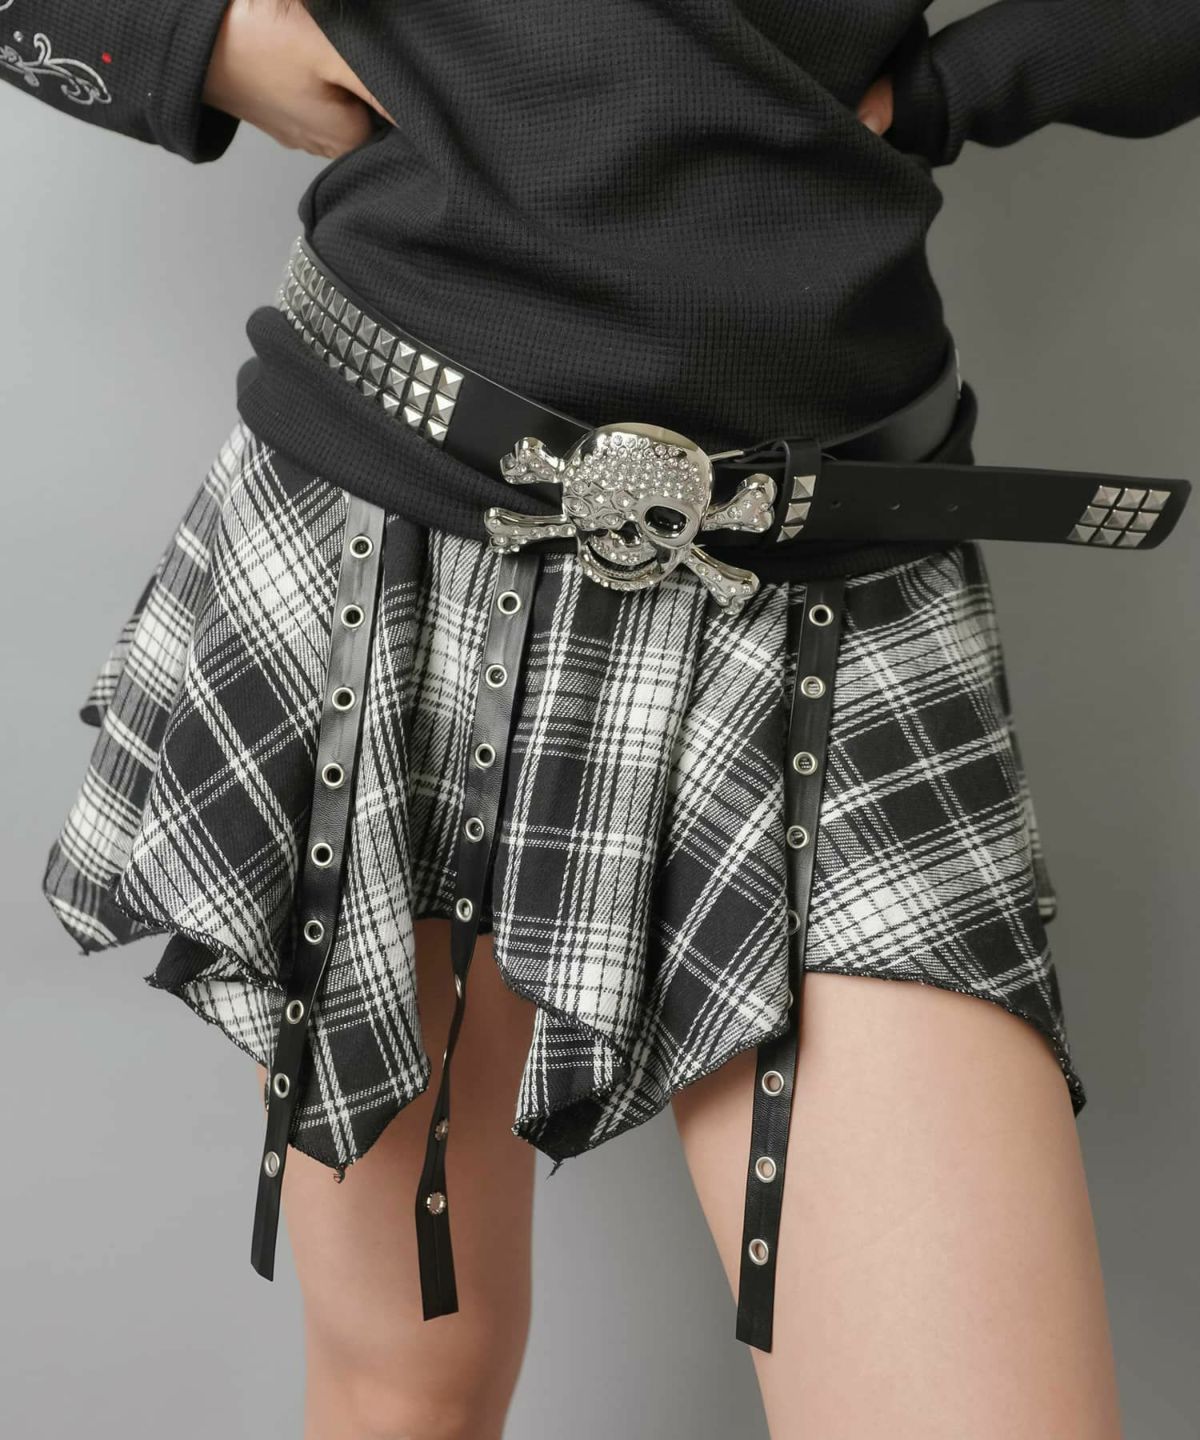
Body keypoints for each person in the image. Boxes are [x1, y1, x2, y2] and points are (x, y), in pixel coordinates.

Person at [5, 2, 1198, 1436]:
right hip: (394, 521)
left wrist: (965, 85)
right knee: (405, 1385)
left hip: (817, 586)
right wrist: (184, 37)